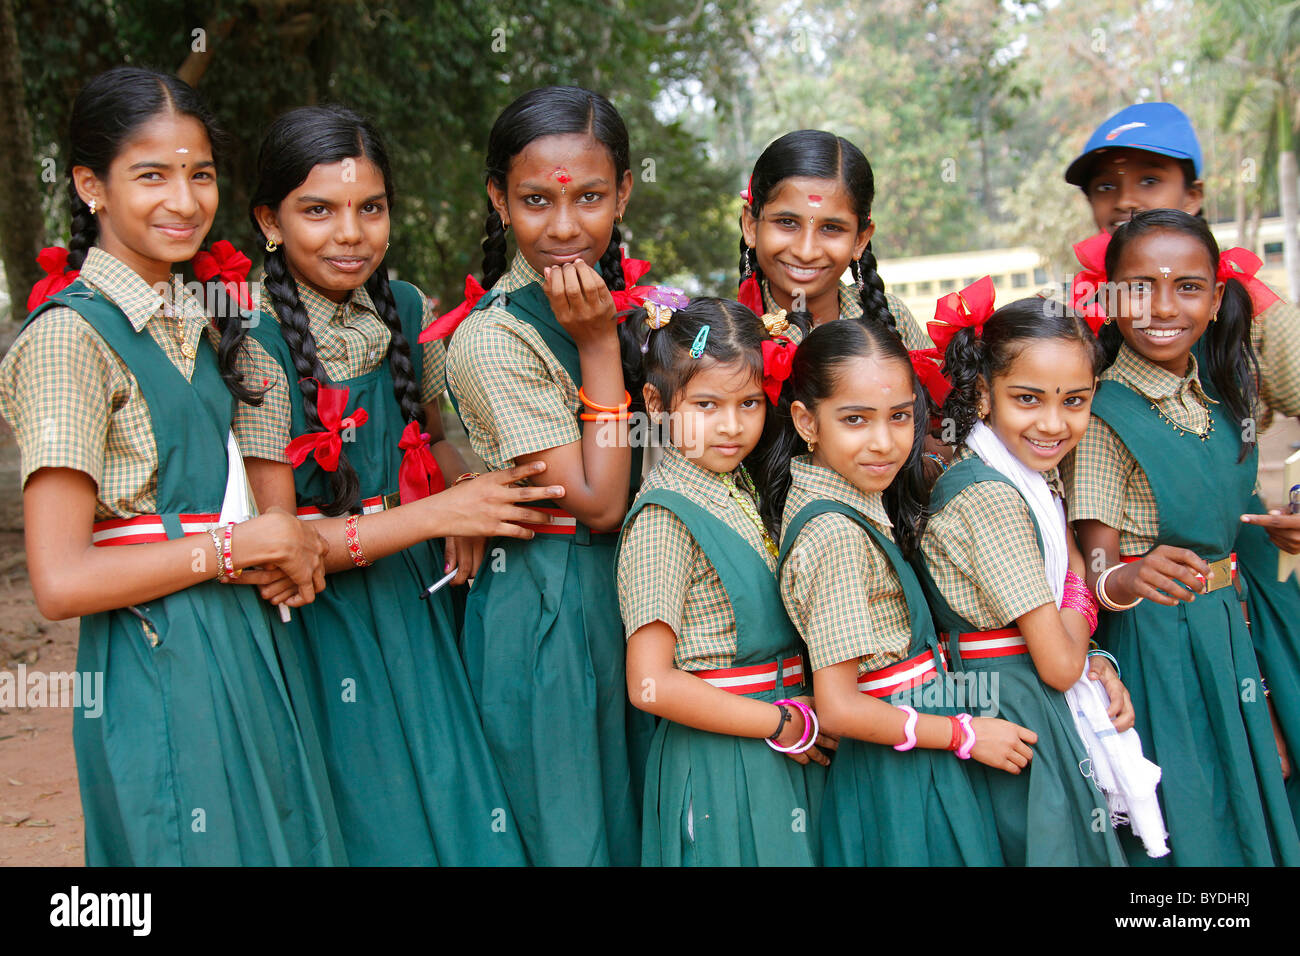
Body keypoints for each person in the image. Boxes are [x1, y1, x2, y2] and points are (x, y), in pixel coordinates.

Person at [0, 66, 339, 865]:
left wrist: (274, 540)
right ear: (90, 185)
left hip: (250, 639)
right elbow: (60, 581)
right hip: (159, 656)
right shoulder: (68, 340)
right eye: (150, 175)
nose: (183, 202)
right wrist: (234, 547)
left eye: (201, 175)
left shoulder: (204, 322)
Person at [238, 105, 561, 865]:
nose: (350, 233)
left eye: (370, 208)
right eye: (318, 210)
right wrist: (438, 513)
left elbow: (438, 435)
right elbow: (281, 547)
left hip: (417, 600)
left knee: (455, 794)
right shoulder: (249, 334)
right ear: (269, 221)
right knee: (373, 812)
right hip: (323, 622)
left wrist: (464, 492)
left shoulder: (407, 307)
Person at [1066, 103, 1300, 820]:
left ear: (1195, 195)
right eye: (1107, 187)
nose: (1126, 198)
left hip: (1253, 590)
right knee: (1195, 795)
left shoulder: (1254, 324)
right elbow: (1093, 557)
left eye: (1150, 179)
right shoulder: (1082, 353)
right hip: (1157, 623)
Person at [442, 86, 656, 865]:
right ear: (499, 201)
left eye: (592, 197)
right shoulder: (493, 340)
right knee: (574, 828)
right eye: (535, 200)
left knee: (637, 818)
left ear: (624, 192)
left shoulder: (638, 307)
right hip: (553, 606)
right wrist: (598, 350)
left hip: (635, 595)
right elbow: (598, 502)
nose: (565, 227)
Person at [773, 316, 1030, 866]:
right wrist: (963, 734)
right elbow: (839, 707)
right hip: (896, 769)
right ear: (806, 420)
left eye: (900, 417)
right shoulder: (835, 533)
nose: (884, 442)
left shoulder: (853, 502)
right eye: (855, 420)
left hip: (911, 747)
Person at [915, 284, 1130, 865]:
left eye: (1075, 401)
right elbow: (1061, 664)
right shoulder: (991, 496)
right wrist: (1081, 599)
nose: (1054, 423)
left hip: (1021, 700)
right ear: (983, 395)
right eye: (1029, 399)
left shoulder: (1027, 479)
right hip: (1011, 712)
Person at [618, 293, 829, 866]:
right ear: (657, 404)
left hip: (783, 739)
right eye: (707, 405)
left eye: (751, 404)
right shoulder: (664, 516)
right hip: (723, 758)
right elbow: (649, 684)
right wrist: (781, 720)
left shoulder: (739, 486)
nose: (732, 426)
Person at [738, 129, 930, 350]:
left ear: (860, 240)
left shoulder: (894, 319)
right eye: (787, 222)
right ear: (751, 226)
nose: (806, 251)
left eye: (831, 228)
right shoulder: (725, 335)